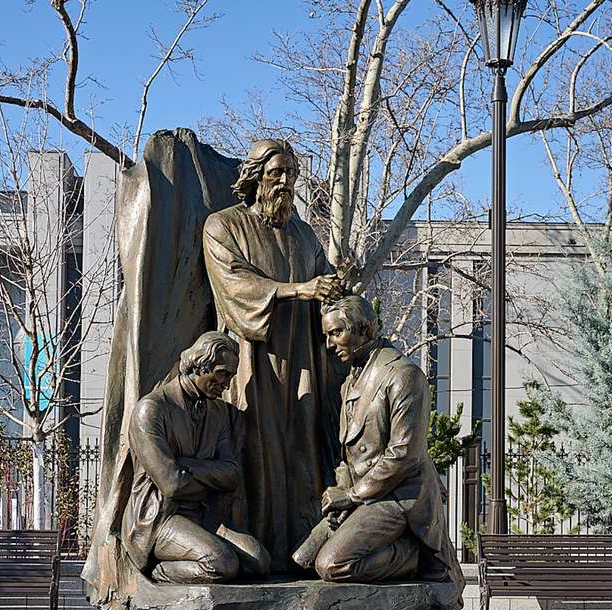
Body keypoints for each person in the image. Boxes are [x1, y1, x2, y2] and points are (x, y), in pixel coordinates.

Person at [202, 138, 343, 569]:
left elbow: (324, 279)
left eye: (292, 174)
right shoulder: (223, 226)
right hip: (253, 357)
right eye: (277, 172)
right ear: (255, 176)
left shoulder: (302, 234)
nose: (286, 182)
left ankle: (300, 555)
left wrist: (338, 286)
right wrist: (298, 290)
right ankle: (256, 554)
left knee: (303, 449)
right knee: (257, 451)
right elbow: (235, 286)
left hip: (302, 359)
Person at [292, 296, 463, 586]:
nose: (330, 344)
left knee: (332, 565)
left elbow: (404, 454)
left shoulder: (404, 376)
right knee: (301, 560)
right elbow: (351, 453)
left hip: (399, 496)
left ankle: (419, 554)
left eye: (336, 333)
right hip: (365, 495)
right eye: (327, 336)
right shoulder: (351, 380)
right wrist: (344, 497)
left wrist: (353, 496)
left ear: (365, 330)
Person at [123, 331, 271, 583]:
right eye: (221, 373)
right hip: (160, 519)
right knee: (221, 563)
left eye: (231, 376)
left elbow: (232, 474)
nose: (226, 384)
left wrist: (187, 466)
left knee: (259, 561)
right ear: (198, 365)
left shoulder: (217, 413)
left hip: (203, 516)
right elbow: (172, 485)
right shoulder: (152, 409)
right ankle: (155, 572)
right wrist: (209, 476)